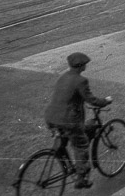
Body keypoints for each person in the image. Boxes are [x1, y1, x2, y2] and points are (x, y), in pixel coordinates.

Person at [44, 53, 112, 190]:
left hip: (51, 117)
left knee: (65, 137)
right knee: (81, 145)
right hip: (67, 120)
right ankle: (81, 178)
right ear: (81, 66)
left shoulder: (63, 77)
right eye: (85, 64)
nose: (86, 65)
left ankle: (60, 154)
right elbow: (91, 100)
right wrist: (106, 101)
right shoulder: (81, 80)